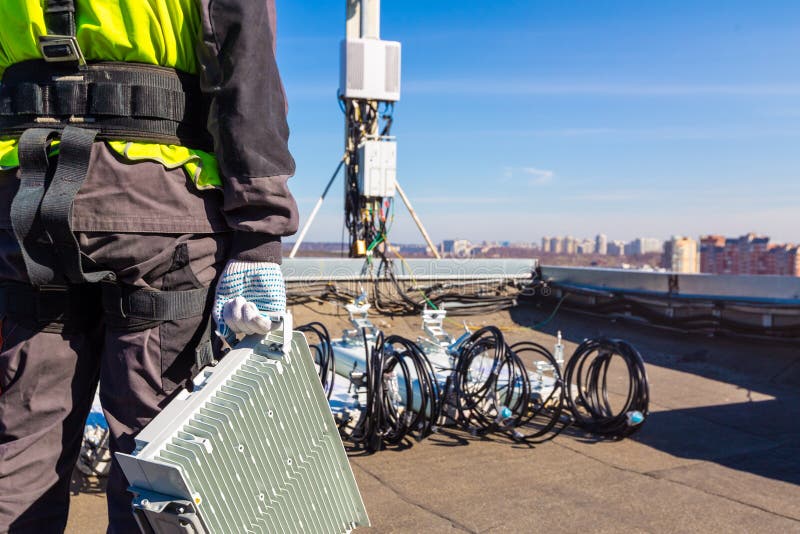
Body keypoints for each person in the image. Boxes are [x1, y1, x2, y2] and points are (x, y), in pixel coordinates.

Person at [0, 1, 298, 532]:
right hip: (153, 207)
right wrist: (259, 236)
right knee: (157, 453)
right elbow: (244, 66)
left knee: (19, 449)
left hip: (22, 202)